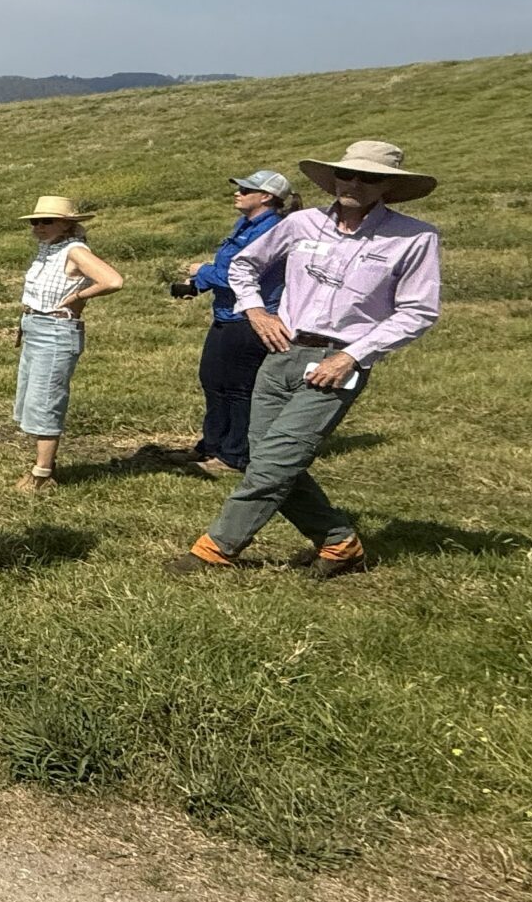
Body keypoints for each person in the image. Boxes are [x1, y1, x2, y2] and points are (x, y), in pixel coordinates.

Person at [170, 140, 441, 580]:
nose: (353, 183)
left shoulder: (414, 237)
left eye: (368, 177)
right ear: (333, 178)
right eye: (346, 174)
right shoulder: (301, 223)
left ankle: (216, 548)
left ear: (387, 186)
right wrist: (256, 311)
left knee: (277, 460)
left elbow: (418, 311)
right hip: (281, 353)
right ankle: (339, 543)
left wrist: (354, 356)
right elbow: (243, 266)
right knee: (266, 459)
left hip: (339, 364)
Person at [171, 171, 294, 475]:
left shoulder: (271, 231)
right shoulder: (245, 225)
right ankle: (211, 446)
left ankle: (235, 455)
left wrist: (202, 272)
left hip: (253, 319)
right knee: (213, 381)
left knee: (239, 389)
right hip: (227, 315)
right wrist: (199, 283)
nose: (237, 193)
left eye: (245, 189)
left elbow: (235, 276)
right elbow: (229, 269)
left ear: (266, 197)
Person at [10, 196, 126, 491]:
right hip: (36, 327)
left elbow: (112, 280)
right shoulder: (50, 249)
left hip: (55, 330)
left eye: (47, 221)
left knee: (46, 401)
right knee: (32, 400)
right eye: (35, 221)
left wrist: (78, 297)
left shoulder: (75, 250)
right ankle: (43, 465)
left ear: (67, 224)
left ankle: (42, 474)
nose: (39, 227)